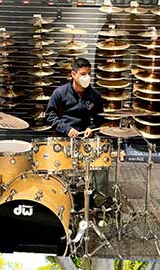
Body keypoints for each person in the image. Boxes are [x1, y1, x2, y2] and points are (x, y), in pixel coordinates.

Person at [45, 57, 109, 207]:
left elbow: (100, 118)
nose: (86, 77)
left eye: (88, 74)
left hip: (86, 140)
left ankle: (100, 204)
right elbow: (50, 116)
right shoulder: (59, 93)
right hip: (64, 139)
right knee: (53, 167)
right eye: (83, 74)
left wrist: (91, 129)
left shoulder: (94, 96)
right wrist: (66, 129)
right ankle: (56, 202)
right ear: (73, 74)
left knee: (101, 165)